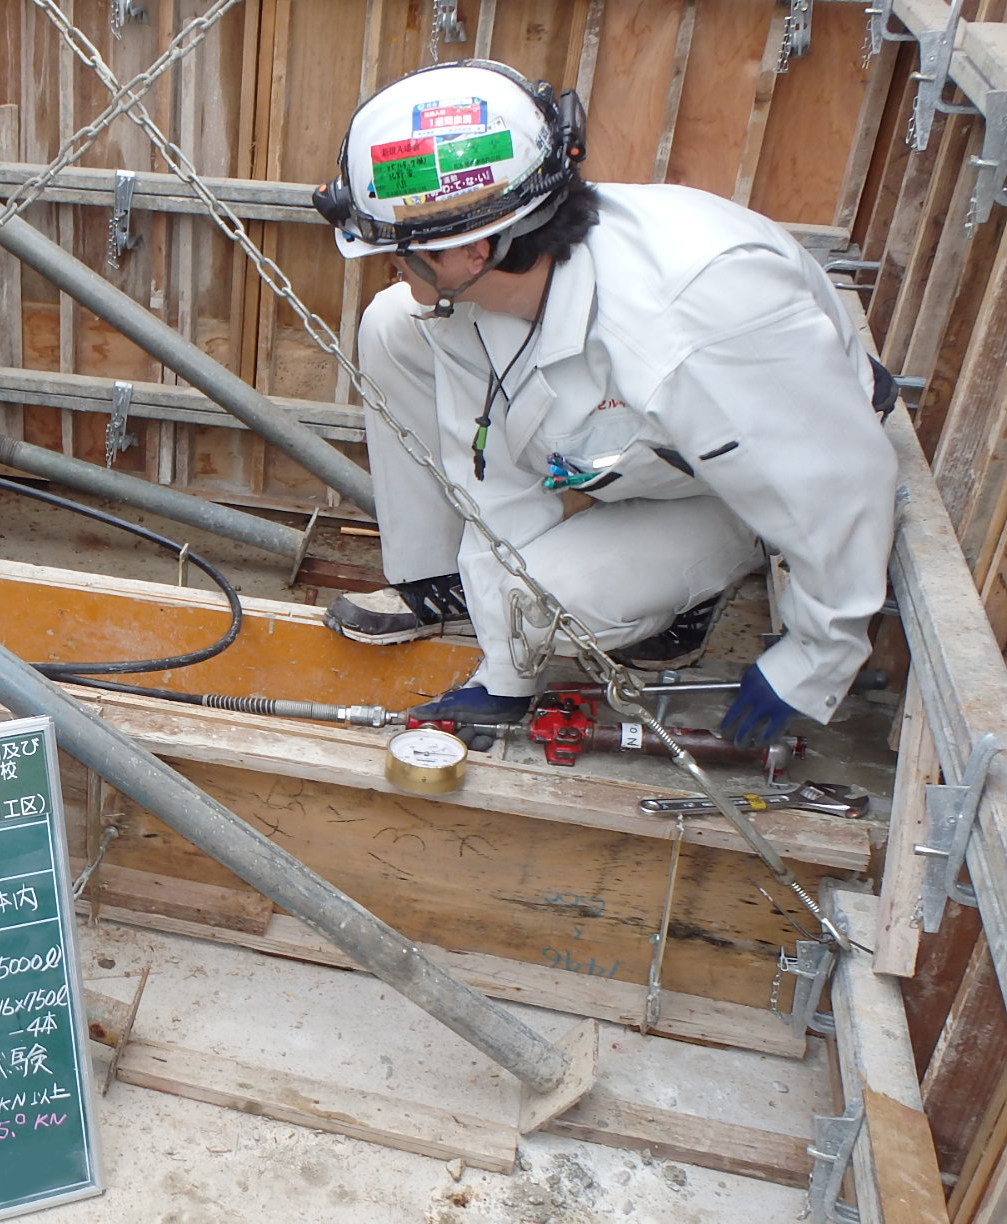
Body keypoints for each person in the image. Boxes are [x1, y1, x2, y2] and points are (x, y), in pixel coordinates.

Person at [310, 60, 898, 745]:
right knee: (392, 322)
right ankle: (447, 587)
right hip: (646, 453)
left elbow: (837, 484)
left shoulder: (698, 319)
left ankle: (697, 590)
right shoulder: (491, 288)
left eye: (400, 249)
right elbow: (491, 476)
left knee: (546, 602)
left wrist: (813, 658)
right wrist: (505, 674)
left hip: (757, 476)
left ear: (474, 250)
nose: (388, 262)